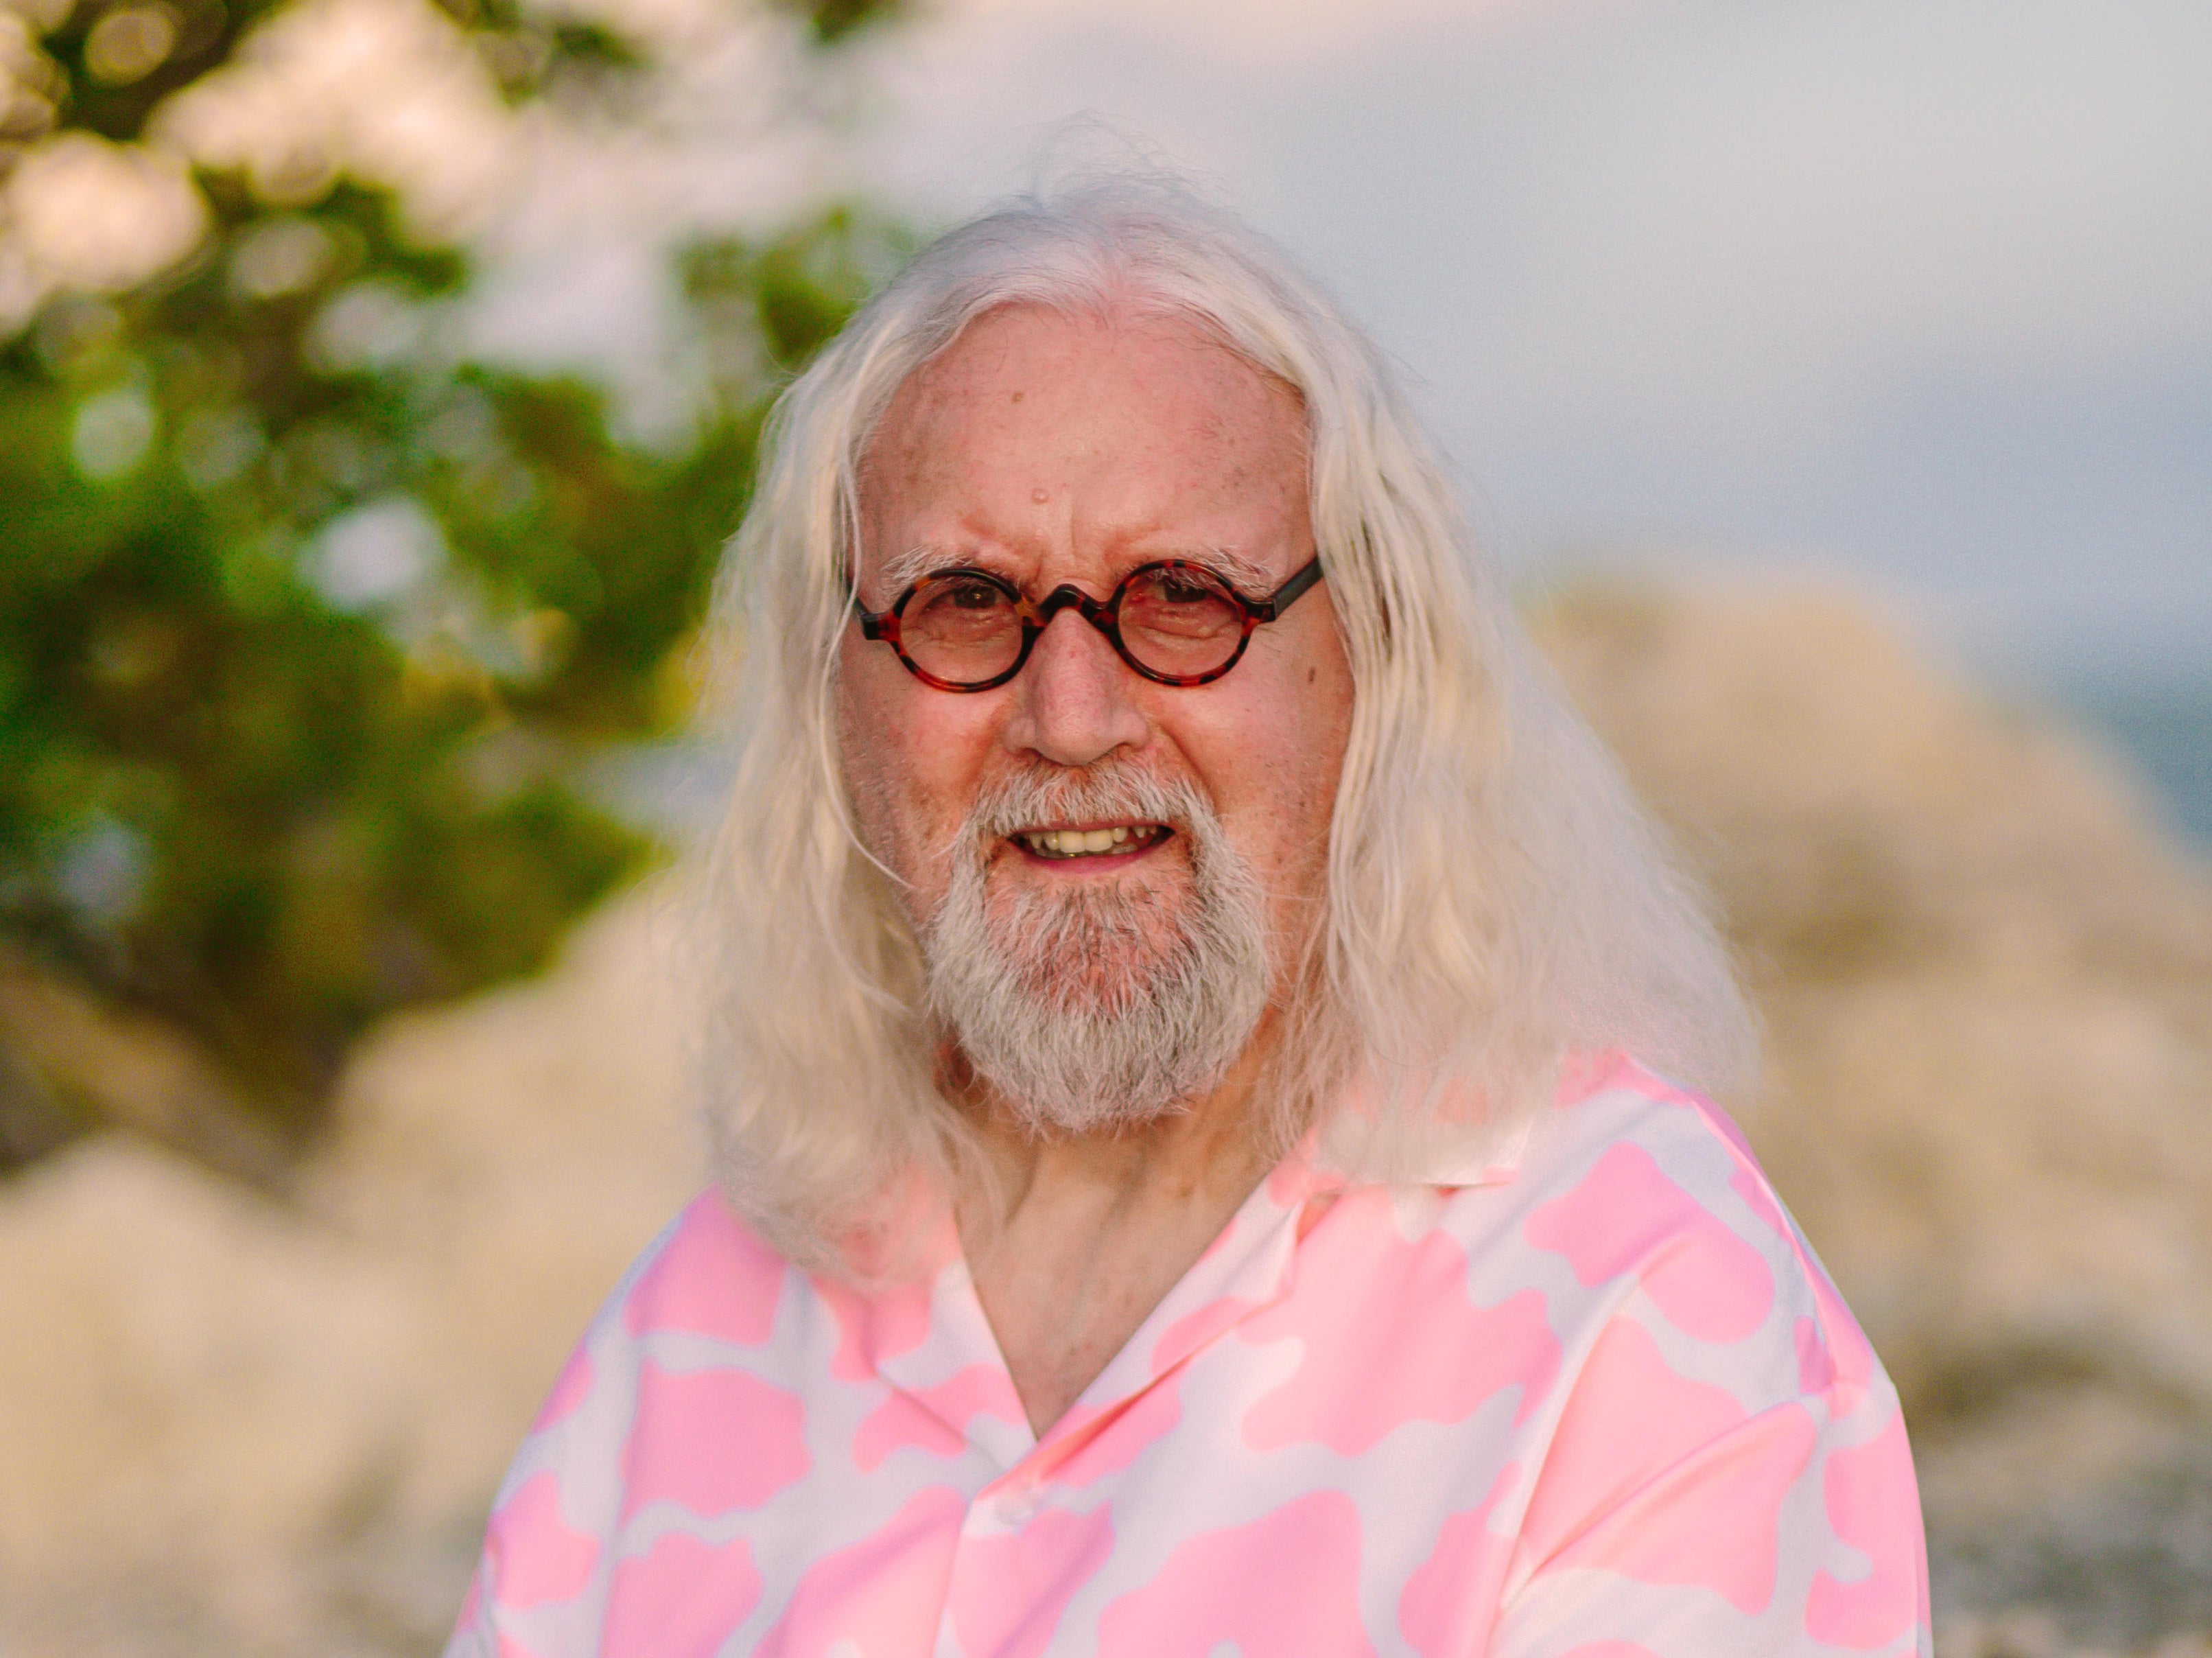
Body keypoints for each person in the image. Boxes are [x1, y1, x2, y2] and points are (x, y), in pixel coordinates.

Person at [447, 172, 1931, 1658]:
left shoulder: (1642, 1296)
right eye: (964, 599)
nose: (1073, 715)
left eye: (1182, 596)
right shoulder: (702, 1312)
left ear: (1375, 655)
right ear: (839, 692)